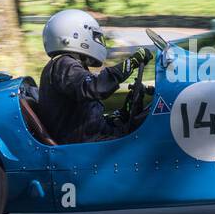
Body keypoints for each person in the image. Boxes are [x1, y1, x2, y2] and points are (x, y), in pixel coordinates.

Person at [37, 8, 153, 144]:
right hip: (86, 145)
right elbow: (95, 87)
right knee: (152, 135)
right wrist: (131, 63)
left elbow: (84, 115)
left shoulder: (64, 65)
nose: (98, 40)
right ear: (74, 36)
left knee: (144, 119)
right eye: (94, 36)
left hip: (89, 137)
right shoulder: (64, 65)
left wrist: (122, 114)